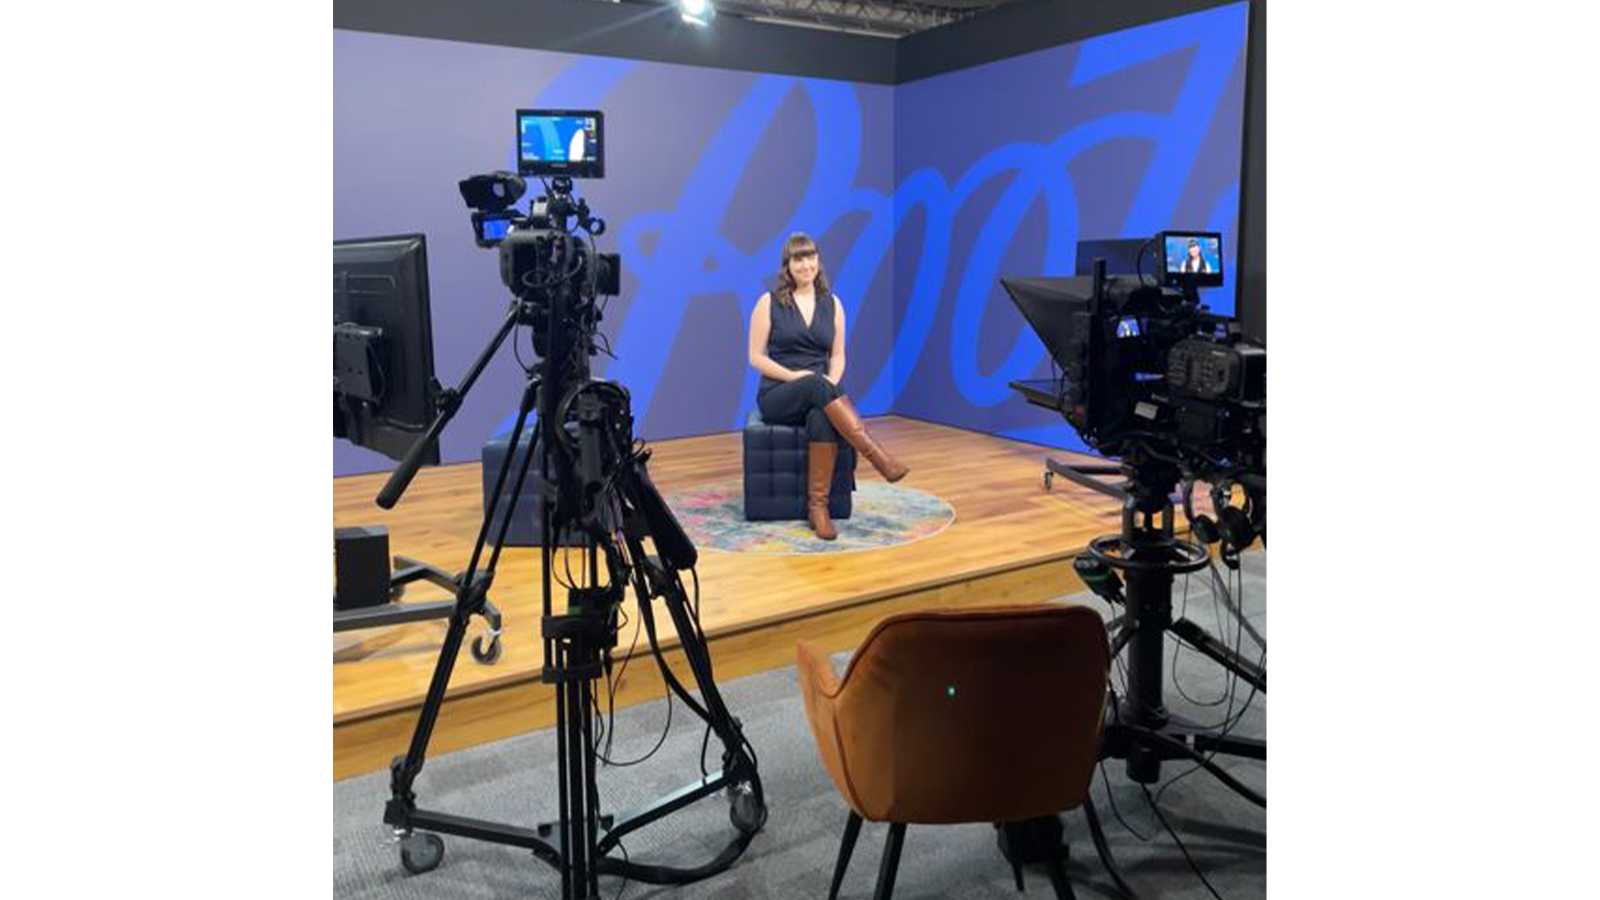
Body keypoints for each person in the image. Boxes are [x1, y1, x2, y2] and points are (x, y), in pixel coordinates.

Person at [747, 233, 908, 541]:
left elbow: (837, 357)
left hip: (820, 393)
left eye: (810, 257)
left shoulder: (833, 304)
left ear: (818, 261)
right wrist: (798, 378)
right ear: (787, 265)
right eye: (798, 259)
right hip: (779, 395)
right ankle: (878, 457)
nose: (805, 265)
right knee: (815, 385)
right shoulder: (768, 302)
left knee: (822, 415)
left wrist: (830, 382)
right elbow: (756, 357)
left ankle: (818, 509)